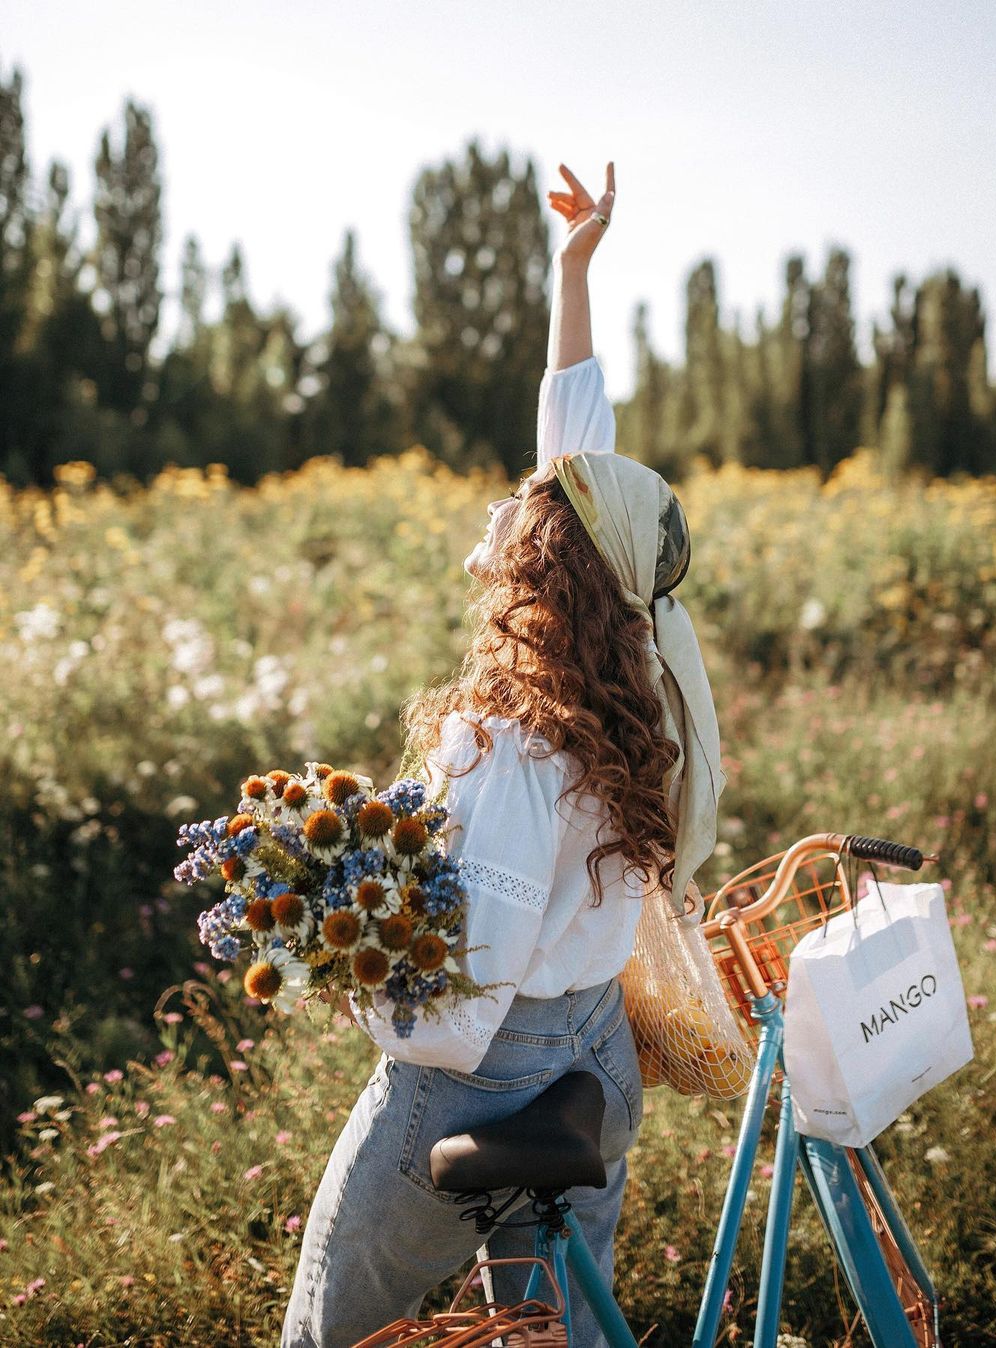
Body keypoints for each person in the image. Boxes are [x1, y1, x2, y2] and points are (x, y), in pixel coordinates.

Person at [279, 161, 726, 1348]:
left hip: (493, 1068)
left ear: (549, 560)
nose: (504, 509)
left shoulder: (516, 744)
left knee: (329, 1313)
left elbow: (459, 1001)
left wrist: (351, 968)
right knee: (553, 1331)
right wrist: (574, 272)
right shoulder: (637, 659)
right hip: (595, 1060)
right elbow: (575, 448)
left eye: (526, 507)